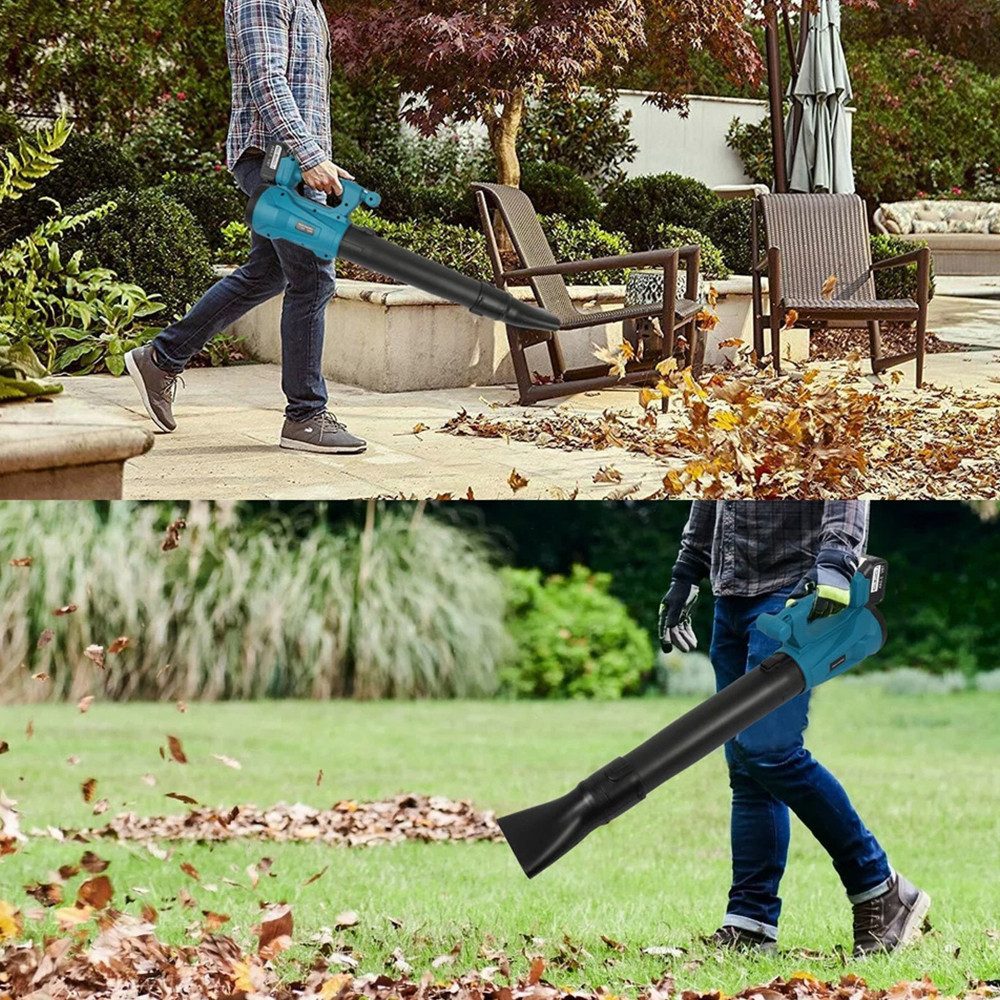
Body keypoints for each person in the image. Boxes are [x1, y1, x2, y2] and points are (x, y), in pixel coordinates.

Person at [658, 501, 930, 956]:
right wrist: (686, 571)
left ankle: (881, 887)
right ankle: (750, 922)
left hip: (794, 589)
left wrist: (836, 559)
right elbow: (712, 485)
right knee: (747, 766)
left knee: (768, 749)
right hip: (732, 595)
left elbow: (845, 471)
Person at [125, 0, 367, 455]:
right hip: (275, 162)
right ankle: (305, 416)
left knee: (267, 273)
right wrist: (308, 155)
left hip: (289, 163)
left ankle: (161, 358)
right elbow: (267, 79)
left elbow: (303, 91)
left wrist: (319, 159)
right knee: (314, 278)